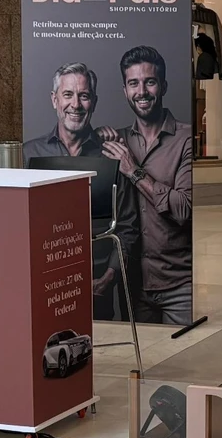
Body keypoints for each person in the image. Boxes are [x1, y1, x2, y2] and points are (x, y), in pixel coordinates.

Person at [23, 62, 139, 320]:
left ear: (93, 102)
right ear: (54, 99)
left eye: (84, 96)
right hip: (42, 282)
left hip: (97, 284)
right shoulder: (29, 154)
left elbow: (128, 225)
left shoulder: (111, 155)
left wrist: (110, 275)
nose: (75, 104)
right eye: (68, 94)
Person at [99, 46, 193, 325]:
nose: (142, 91)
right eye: (133, 83)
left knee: (182, 352)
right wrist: (94, 136)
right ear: (125, 90)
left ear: (163, 86)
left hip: (180, 284)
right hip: (133, 285)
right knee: (143, 353)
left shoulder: (186, 140)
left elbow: (184, 209)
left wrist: (133, 171)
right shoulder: (117, 141)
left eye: (149, 82)